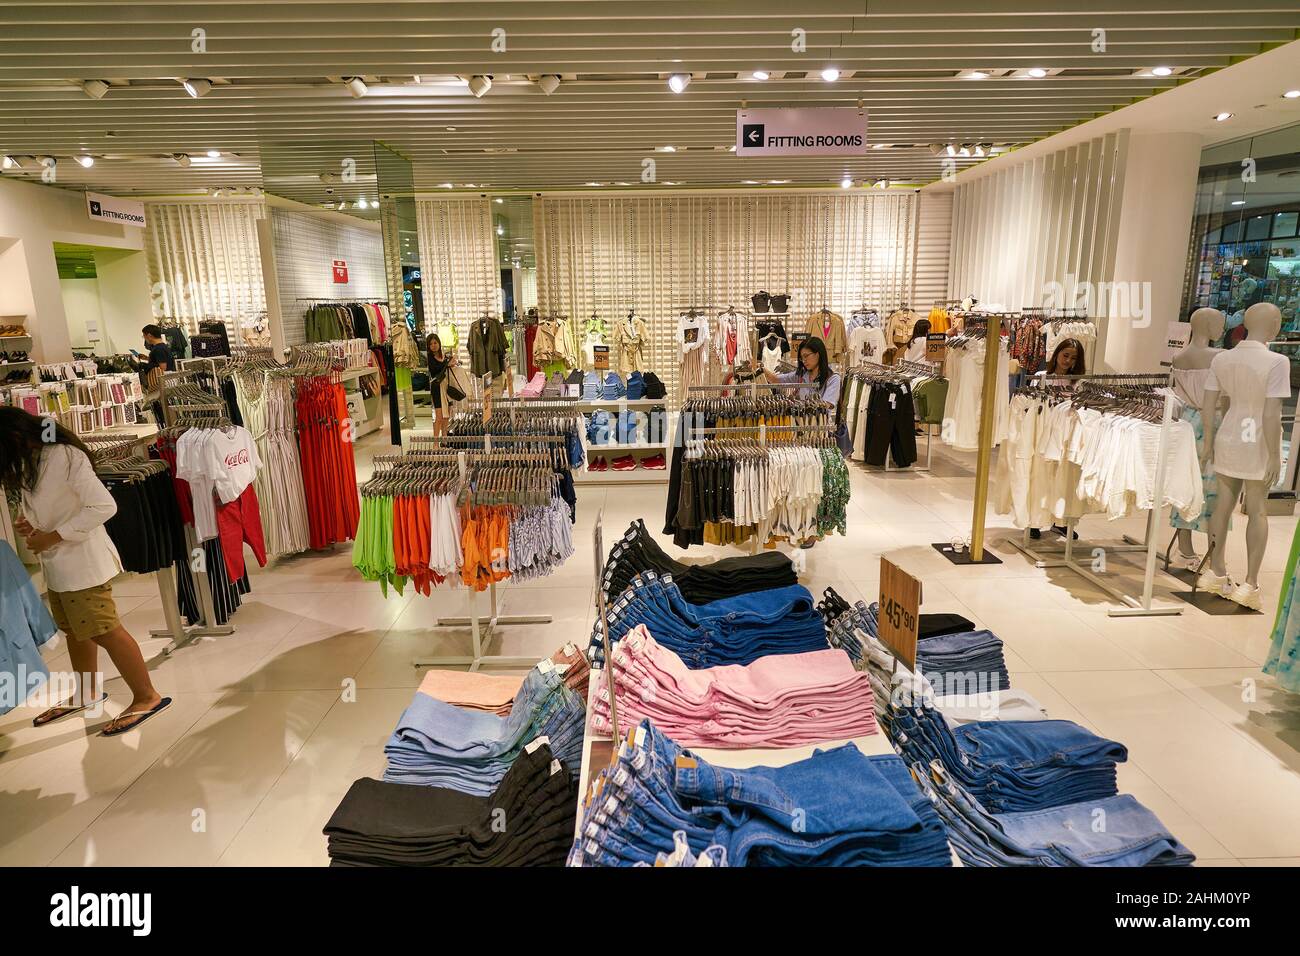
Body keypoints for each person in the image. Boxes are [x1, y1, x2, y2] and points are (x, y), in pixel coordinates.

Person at [0, 408, 171, 736]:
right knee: (77, 630)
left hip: (83, 563)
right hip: (59, 563)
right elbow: (52, 505)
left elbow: (104, 506)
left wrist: (54, 534)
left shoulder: (63, 456)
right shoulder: (29, 463)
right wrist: (31, 523)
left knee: (104, 629)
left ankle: (146, 696)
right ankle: (86, 692)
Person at [763, 337, 842, 549]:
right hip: (799, 433)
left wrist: (800, 402)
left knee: (816, 481)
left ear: (819, 355)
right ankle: (799, 526)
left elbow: (828, 404)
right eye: (802, 357)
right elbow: (778, 380)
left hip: (820, 434)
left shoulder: (832, 379)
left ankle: (813, 531)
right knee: (801, 480)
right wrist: (760, 369)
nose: (804, 361)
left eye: (807, 356)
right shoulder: (801, 375)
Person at [1028, 337, 1088, 540]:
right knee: (1040, 476)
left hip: (1066, 437)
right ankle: (1034, 521)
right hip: (1042, 433)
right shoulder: (1041, 377)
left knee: (1064, 479)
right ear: (1056, 355)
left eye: (1073, 358)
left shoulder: (1078, 383)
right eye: (1065, 355)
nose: (1068, 361)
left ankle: (1061, 521)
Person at [426, 333, 452, 437]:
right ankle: (436, 443)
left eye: (435, 343)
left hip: (447, 387)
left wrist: (449, 362)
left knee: (447, 415)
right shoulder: (429, 358)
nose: (433, 345)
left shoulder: (444, 356)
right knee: (439, 416)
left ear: (439, 343)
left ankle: (444, 438)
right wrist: (447, 364)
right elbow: (435, 370)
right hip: (437, 388)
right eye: (431, 344)